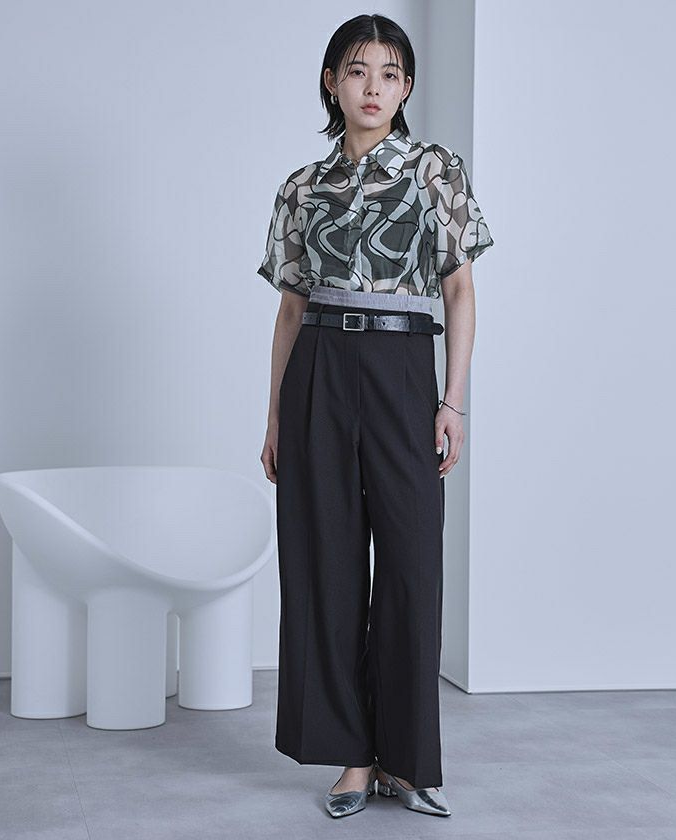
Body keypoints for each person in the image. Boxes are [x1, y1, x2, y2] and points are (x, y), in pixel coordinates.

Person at [256, 13, 493, 819]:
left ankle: (407, 760)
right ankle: (353, 758)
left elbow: (460, 289)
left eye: (390, 74)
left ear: (407, 87)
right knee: (323, 563)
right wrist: (276, 417)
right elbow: (290, 310)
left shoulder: (435, 170)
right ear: (332, 81)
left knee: (411, 563)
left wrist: (452, 399)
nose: (373, 88)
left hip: (402, 366)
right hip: (318, 367)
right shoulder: (302, 187)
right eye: (357, 71)